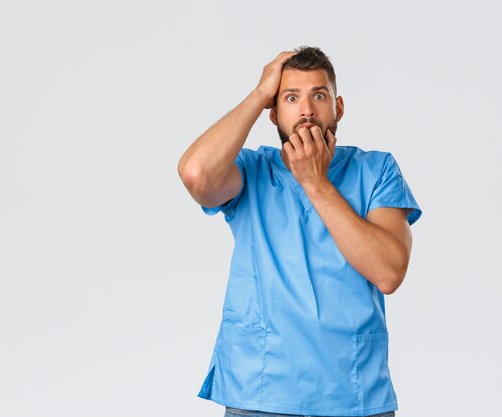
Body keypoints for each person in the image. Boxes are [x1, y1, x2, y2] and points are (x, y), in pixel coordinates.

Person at [178, 46, 422, 417]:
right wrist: (260, 93)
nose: (306, 110)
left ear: (338, 108)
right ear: (273, 114)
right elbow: (196, 174)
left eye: (318, 96)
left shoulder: (376, 170)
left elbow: (388, 272)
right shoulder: (252, 170)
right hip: (260, 390)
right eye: (291, 98)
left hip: (352, 394)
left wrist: (316, 184)